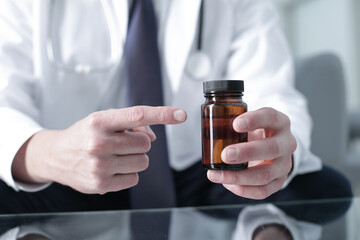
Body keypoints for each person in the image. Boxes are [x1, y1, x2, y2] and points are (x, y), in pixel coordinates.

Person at [0, 0, 352, 213]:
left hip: (204, 172)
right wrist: (50, 154)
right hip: (68, 174)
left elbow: (274, 90)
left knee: (323, 190)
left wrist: (274, 152)